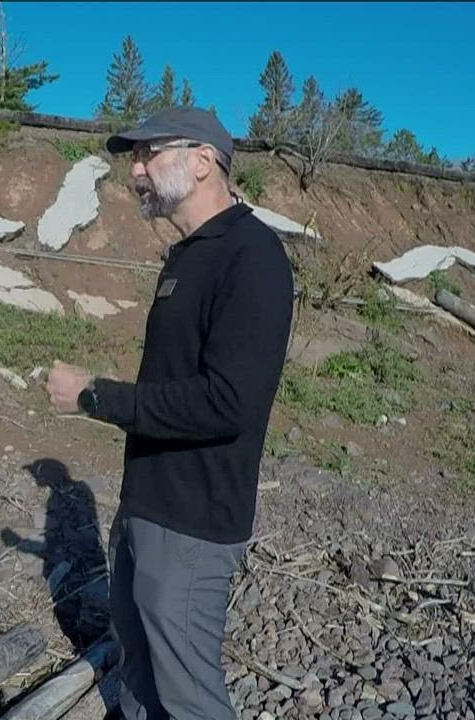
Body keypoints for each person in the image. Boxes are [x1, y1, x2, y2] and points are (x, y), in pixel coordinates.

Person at [45, 107, 294, 719]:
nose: (134, 171)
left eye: (147, 154)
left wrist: (95, 397)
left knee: (188, 698)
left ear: (203, 161)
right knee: (136, 673)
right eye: (134, 158)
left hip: (192, 525)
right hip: (144, 509)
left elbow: (228, 402)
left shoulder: (252, 256)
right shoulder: (190, 255)